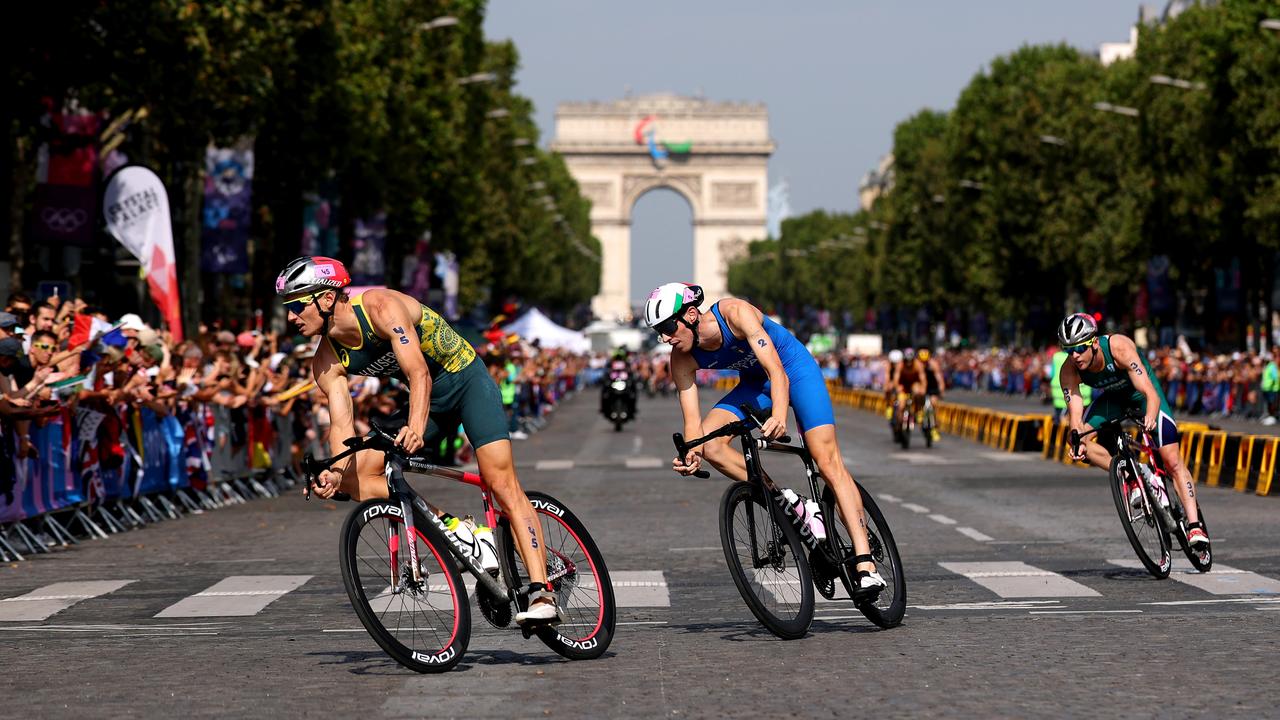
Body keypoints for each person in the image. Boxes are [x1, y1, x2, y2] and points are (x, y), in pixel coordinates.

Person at [276, 256, 562, 625]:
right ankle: (456, 530)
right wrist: (334, 472)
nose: (291, 317)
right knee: (356, 477)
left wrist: (414, 425)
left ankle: (542, 592)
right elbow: (341, 425)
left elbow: (419, 372)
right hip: (429, 404)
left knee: (501, 482)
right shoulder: (326, 360)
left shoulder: (381, 307)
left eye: (297, 305)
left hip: (466, 382)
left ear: (327, 299)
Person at [646, 282, 886, 597]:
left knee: (825, 460)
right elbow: (692, 423)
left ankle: (865, 564)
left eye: (666, 327)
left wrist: (779, 418)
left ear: (691, 314)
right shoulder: (681, 358)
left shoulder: (735, 313)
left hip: (794, 372)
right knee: (710, 445)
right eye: (657, 332)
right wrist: (692, 453)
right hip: (756, 385)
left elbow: (777, 372)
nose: (664, 338)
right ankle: (786, 501)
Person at [1056, 313, 1208, 549]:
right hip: (1113, 400)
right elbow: (1075, 416)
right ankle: (1130, 472)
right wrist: (1076, 441)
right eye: (1069, 350)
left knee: (1171, 460)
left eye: (1079, 348)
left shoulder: (1119, 346)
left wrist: (1150, 415)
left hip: (1143, 395)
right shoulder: (1069, 371)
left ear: (1094, 342)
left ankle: (1194, 525)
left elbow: (1149, 391)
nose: (1075, 356)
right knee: (1077, 440)